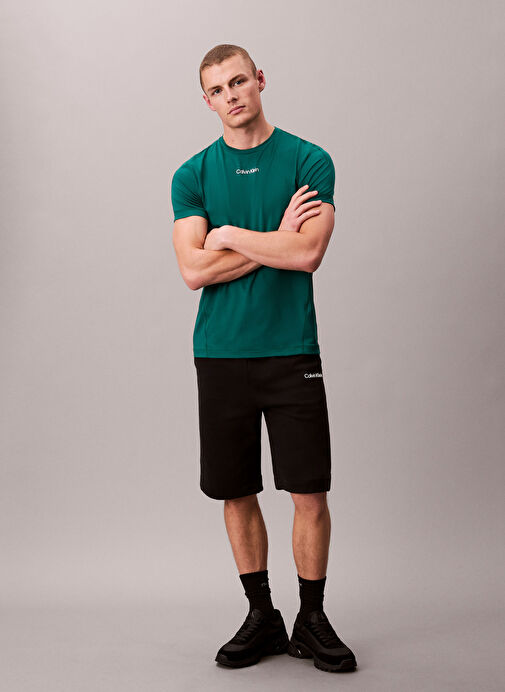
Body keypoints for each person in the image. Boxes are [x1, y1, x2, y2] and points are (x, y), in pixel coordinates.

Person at [170, 43, 357, 673]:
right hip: (220, 354)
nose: (231, 96)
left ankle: (312, 618)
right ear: (206, 101)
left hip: (291, 350)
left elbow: (308, 255)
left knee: (309, 492)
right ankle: (262, 616)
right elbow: (193, 272)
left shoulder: (309, 160)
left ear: (260, 80)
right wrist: (276, 236)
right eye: (217, 89)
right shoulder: (192, 175)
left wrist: (228, 236)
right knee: (236, 491)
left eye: (239, 81)